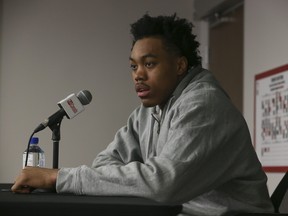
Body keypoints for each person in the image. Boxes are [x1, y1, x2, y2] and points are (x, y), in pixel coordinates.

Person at [12, 13, 274, 216]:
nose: (138, 74)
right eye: (133, 66)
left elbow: (164, 183)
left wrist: (59, 177)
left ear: (180, 65)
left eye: (149, 64)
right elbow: (106, 163)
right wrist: (141, 179)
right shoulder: (147, 113)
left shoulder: (204, 105)